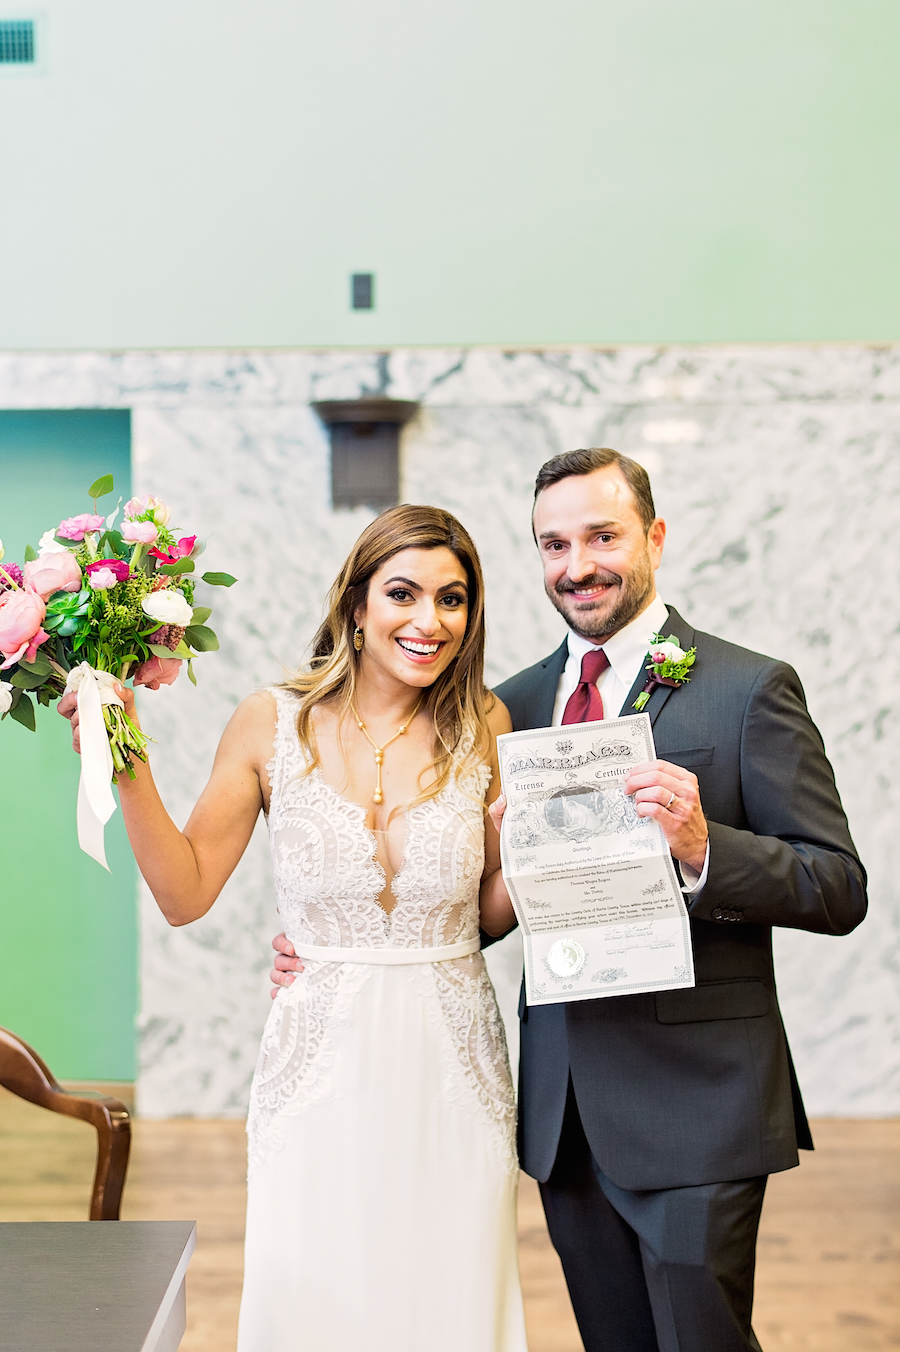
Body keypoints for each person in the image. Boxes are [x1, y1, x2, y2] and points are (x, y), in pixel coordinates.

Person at [273, 447, 868, 1352]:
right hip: (565, 1119)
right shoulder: (499, 710)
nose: (577, 565)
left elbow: (837, 884)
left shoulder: (749, 689)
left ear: (654, 538)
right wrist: (330, 942)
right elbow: (452, 896)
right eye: (554, 544)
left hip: (701, 1106)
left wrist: (708, 850)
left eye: (602, 536)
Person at [60, 505, 527, 1352]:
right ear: (355, 604)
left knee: (451, 1294)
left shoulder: (484, 725)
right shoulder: (271, 721)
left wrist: (540, 863)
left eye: (453, 600)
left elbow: (488, 908)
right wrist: (121, 752)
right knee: (318, 1293)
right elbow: (185, 891)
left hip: (456, 1064)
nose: (430, 621)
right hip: (319, 1066)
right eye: (403, 594)